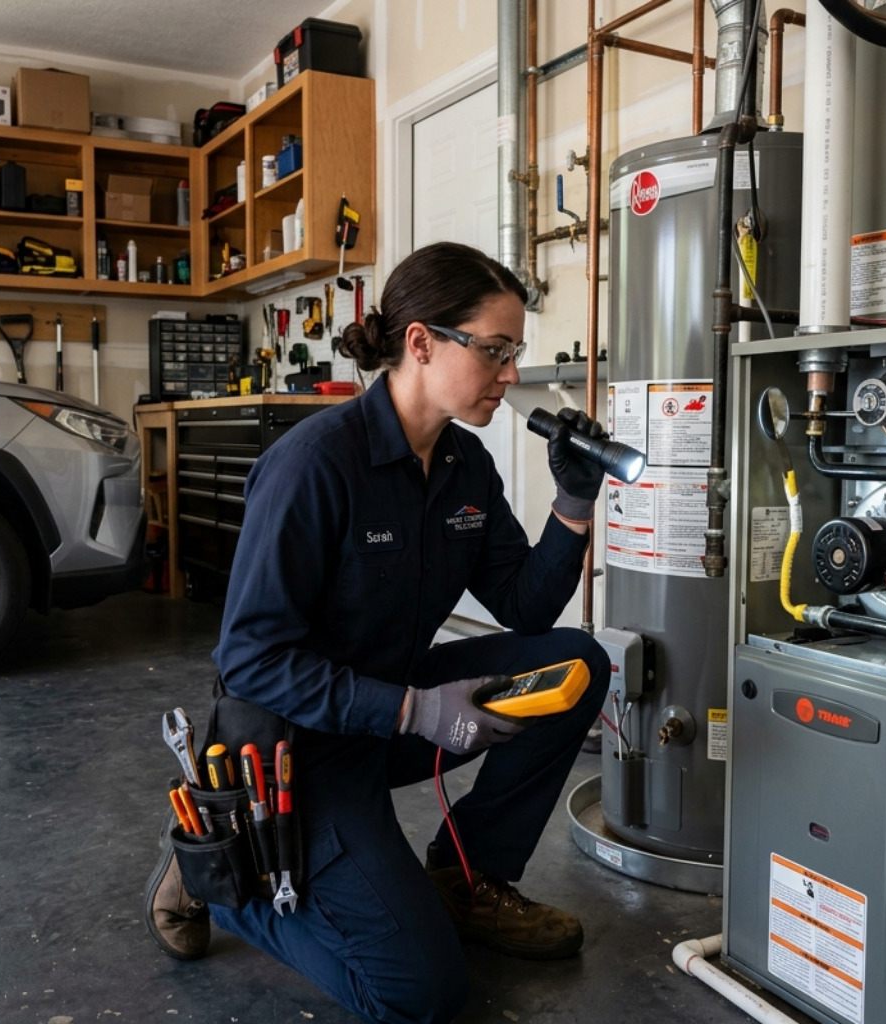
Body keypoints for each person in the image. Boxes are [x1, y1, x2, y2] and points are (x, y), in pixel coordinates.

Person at [144, 241, 611, 1024]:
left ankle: (469, 877)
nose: (510, 373)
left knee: (576, 663)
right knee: (420, 994)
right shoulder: (314, 467)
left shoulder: (464, 466)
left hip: (387, 709)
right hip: (293, 747)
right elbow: (252, 661)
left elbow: (527, 610)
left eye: (514, 352)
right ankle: (220, 885)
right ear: (422, 342)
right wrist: (415, 712)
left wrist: (572, 507)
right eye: (495, 350)